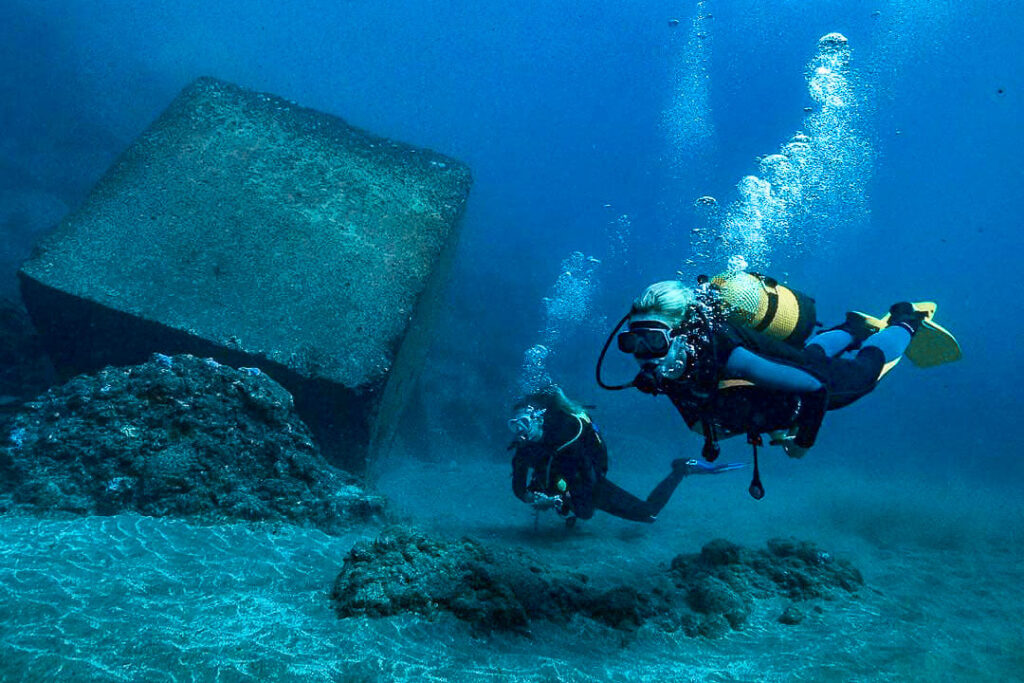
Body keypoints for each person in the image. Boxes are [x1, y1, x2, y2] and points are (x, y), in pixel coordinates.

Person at [596, 272, 960, 497]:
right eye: (632, 343)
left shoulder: (726, 356)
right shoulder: (670, 366)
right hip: (785, 365)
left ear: (680, 333)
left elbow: (815, 387)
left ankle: (907, 319)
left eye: (654, 340)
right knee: (812, 355)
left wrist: (803, 443)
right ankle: (854, 327)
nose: (643, 354)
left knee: (863, 376)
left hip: (803, 380)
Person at [508, 385, 741, 525]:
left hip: (588, 479)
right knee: (578, 509)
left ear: (538, 418)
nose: (520, 430)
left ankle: (682, 468)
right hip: (563, 482)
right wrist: (534, 498)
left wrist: (565, 498)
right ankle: (569, 505)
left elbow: (588, 479)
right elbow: (519, 487)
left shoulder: (567, 434)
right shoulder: (525, 448)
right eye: (514, 425)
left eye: (524, 422)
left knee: (648, 514)